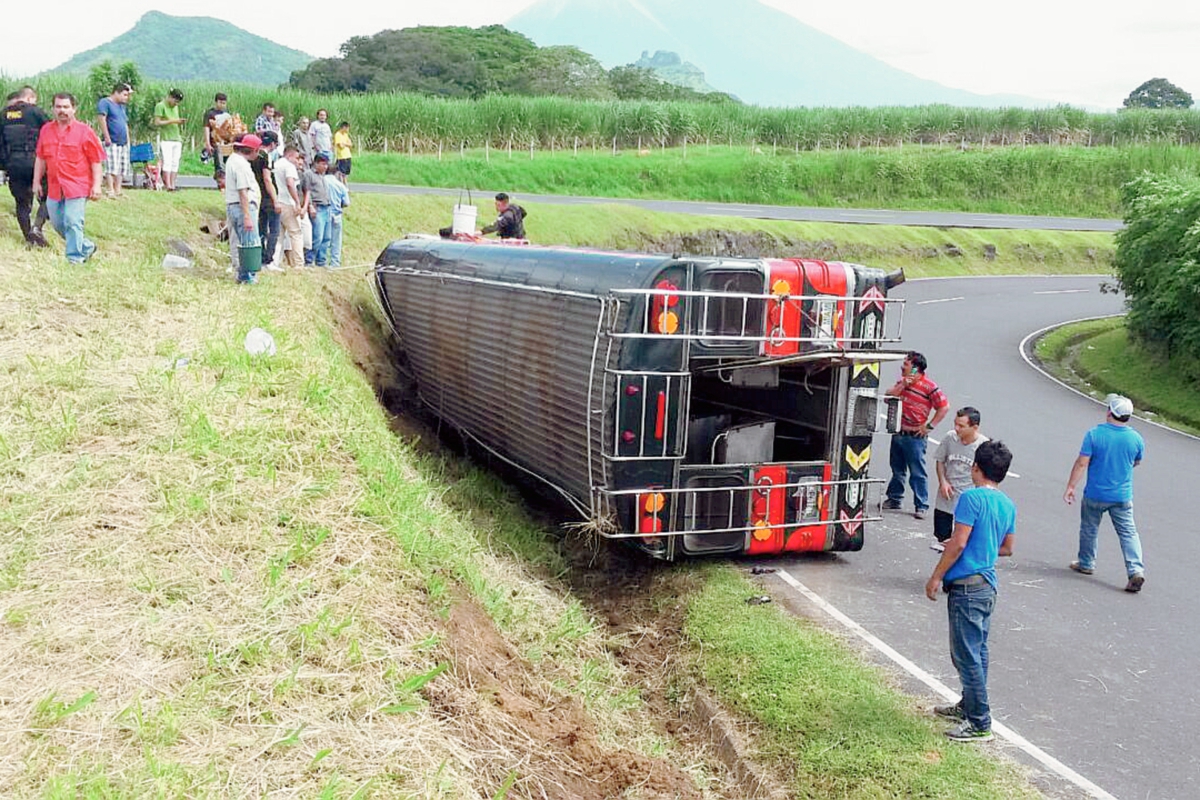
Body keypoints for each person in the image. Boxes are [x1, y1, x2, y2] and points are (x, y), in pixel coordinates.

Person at [924, 439, 1016, 743]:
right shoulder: (1007, 504)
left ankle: (980, 721)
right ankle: (968, 705)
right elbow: (1007, 548)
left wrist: (936, 575)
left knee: (965, 655)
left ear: (975, 467)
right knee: (979, 651)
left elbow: (958, 542)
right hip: (987, 585)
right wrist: (985, 548)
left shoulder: (970, 499)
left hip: (966, 586)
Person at [1063, 394, 1146, 593]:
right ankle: (1135, 570)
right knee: (1128, 533)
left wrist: (1071, 486)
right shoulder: (1136, 438)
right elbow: (1136, 461)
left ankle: (1086, 562)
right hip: (1122, 496)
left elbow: (1082, 462)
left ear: (1110, 412)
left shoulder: (1095, 434)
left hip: (1095, 494)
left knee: (1089, 528)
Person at [32, 93, 104, 263]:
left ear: (74, 109)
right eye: (58, 107)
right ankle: (86, 247)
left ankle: (75, 259)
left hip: (78, 185)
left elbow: (96, 161)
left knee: (72, 220)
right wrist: (36, 182)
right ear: (53, 109)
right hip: (54, 186)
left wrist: (97, 185)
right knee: (58, 224)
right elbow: (41, 158)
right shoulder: (46, 130)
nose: (62, 110)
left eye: (66, 107)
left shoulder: (85, 132)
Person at [884, 351, 950, 519]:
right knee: (897, 469)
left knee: (917, 471)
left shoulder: (929, 387)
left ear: (915, 368)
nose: (902, 366)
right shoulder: (902, 383)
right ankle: (894, 498)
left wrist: (929, 426)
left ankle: (921, 504)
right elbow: (887, 397)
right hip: (899, 432)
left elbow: (944, 407)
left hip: (915, 437)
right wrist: (902, 386)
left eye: (906, 364)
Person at [932, 407, 989, 552]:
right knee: (941, 541)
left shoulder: (983, 446)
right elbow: (940, 460)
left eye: (961, 426)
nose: (957, 429)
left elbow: (986, 477)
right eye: (955, 424)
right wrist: (943, 481)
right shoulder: (950, 438)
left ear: (974, 427)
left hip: (967, 501)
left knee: (961, 543)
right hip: (946, 499)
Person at [1, 86, 50, 246]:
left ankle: (29, 239)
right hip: (35, 162)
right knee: (48, 197)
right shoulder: (34, 111)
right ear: (29, 98)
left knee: (21, 203)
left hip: (13, 164)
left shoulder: (3, 115)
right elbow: (51, 130)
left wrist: (4, 165)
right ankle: (37, 228)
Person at [224, 134, 262, 284]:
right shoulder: (241, 165)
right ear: (252, 150)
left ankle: (242, 273)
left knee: (240, 241)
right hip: (242, 207)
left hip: (233, 206)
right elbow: (243, 191)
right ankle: (247, 276)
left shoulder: (232, 160)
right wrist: (247, 215)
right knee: (249, 242)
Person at [96, 81, 133, 198]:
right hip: (112, 140)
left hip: (123, 141)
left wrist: (128, 139)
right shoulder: (105, 102)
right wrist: (107, 136)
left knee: (122, 167)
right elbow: (101, 118)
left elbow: (125, 123)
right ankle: (110, 189)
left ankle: (118, 189)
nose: (126, 98)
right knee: (112, 165)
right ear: (116, 93)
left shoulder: (122, 107)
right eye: (124, 95)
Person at [252, 131, 282, 271]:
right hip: (268, 197)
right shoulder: (266, 157)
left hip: (257, 196)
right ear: (273, 144)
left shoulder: (253, 155)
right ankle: (268, 259)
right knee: (274, 230)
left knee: (261, 228)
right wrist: (275, 200)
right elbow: (267, 179)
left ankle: (258, 255)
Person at [273, 145, 305, 268]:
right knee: (296, 233)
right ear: (290, 155)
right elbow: (291, 184)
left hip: (277, 201)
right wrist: (297, 202)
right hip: (287, 202)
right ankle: (299, 264)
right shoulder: (289, 166)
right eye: (296, 158)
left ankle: (275, 261)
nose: (298, 161)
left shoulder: (276, 164)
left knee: (278, 235)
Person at [301, 153, 333, 266]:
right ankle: (309, 260)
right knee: (317, 236)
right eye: (323, 164)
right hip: (317, 207)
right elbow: (306, 191)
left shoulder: (323, 176)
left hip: (326, 207)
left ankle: (321, 261)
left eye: (326, 164)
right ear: (316, 163)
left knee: (326, 237)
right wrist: (309, 206)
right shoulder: (309, 175)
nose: (325, 167)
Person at [152, 88, 185, 192]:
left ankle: (173, 184)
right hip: (166, 138)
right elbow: (157, 122)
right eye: (175, 101)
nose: (176, 104)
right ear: (170, 97)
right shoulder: (160, 106)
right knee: (167, 162)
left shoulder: (175, 108)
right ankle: (168, 185)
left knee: (175, 162)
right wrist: (172, 121)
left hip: (176, 137)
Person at [325, 167, 349, 267]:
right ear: (337, 173)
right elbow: (346, 202)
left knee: (325, 239)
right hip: (337, 214)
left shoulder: (323, 181)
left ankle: (322, 260)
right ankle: (335, 262)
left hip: (325, 212)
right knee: (336, 240)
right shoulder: (340, 185)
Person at [202, 92, 229, 181]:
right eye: (220, 102)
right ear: (216, 102)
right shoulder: (210, 113)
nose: (222, 105)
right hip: (215, 142)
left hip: (226, 142)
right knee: (219, 163)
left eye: (224, 103)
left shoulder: (227, 113)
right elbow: (206, 128)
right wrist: (207, 143)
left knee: (227, 163)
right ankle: (220, 181)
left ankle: (224, 179)